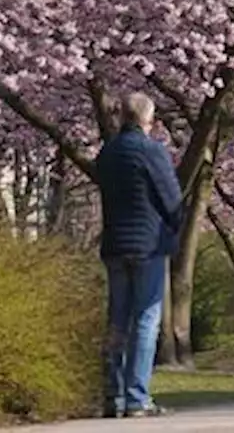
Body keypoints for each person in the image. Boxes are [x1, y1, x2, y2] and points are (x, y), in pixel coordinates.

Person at [96, 92, 184, 419]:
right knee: (147, 318)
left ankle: (113, 394)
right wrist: (175, 228)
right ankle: (137, 397)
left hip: (115, 243)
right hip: (147, 244)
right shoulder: (151, 151)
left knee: (117, 318)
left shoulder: (108, 152)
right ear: (149, 119)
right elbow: (171, 200)